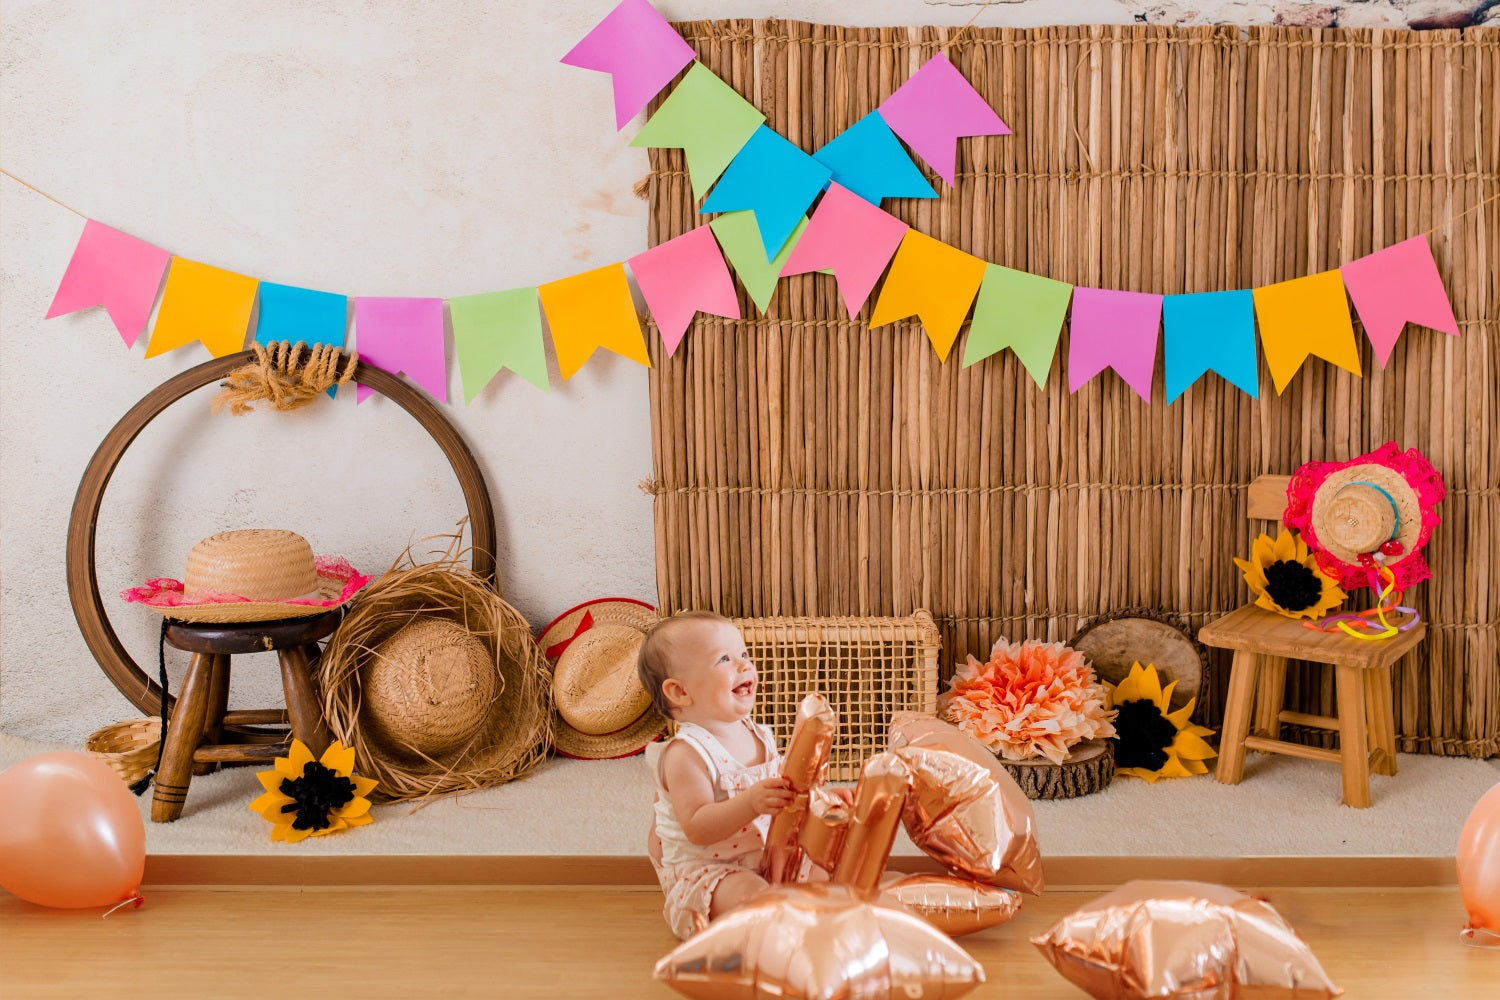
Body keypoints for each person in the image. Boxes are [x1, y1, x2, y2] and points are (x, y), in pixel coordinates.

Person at [639, 610, 793, 939]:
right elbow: (697, 826)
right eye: (724, 659)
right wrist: (752, 802)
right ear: (680, 692)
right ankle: (776, 935)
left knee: (822, 872)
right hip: (709, 872)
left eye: (744, 654)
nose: (744, 665)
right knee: (750, 894)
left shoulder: (761, 735)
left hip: (762, 857)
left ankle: (814, 919)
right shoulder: (686, 754)